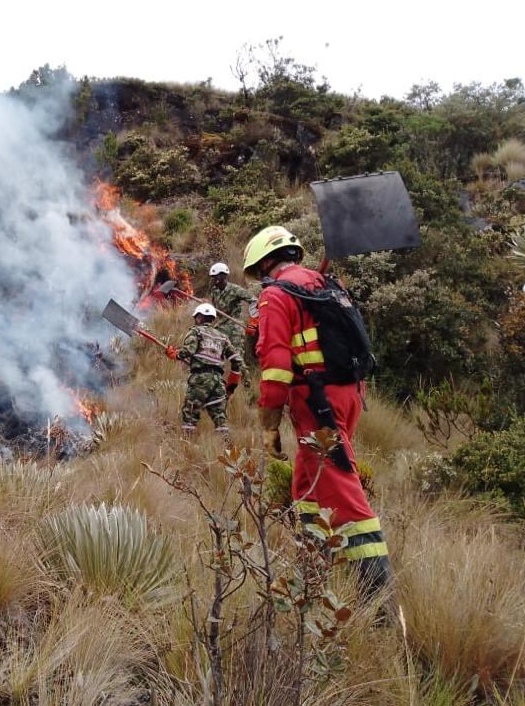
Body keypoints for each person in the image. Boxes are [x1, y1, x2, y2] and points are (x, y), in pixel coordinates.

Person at [243, 225, 392, 599]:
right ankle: (316, 559)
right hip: (350, 394)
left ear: (264, 265)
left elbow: (275, 366)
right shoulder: (325, 284)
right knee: (306, 480)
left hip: (317, 404)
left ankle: (375, 590)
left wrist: (269, 425)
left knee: (340, 486)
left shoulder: (276, 295)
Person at [165, 303, 242, 439]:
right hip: (218, 382)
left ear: (199, 317)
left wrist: (175, 354)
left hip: (200, 379)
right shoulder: (222, 337)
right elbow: (237, 360)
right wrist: (231, 385)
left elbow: (189, 350)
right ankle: (228, 451)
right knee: (220, 418)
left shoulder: (196, 331)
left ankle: (186, 447)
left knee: (190, 413)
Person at [209, 261, 256, 394]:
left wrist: (253, 321)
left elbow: (253, 300)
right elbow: (217, 311)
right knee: (213, 354)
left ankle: (248, 387)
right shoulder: (214, 291)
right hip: (221, 326)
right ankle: (217, 385)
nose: (214, 280)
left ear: (224, 276)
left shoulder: (235, 289)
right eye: (213, 278)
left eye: (216, 277)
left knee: (237, 358)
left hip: (235, 326)